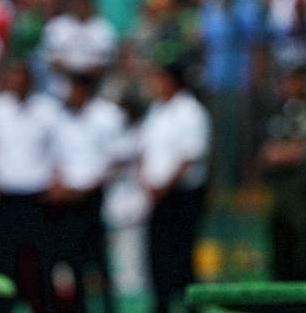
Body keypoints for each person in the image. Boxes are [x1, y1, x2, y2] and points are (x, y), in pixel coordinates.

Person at [0, 61, 60, 313]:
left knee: (42, 262)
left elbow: (59, 150)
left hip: (38, 197)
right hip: (6, 196)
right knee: (4, 261)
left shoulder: (47, 109)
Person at [46, 72, 127, 313]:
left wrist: (89, 186)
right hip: (67, 200)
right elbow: (56, 157)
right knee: (73, 262)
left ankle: (109, 307)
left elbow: (119, 159)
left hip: (96, 198)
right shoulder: (62, 118)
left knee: (100, 263)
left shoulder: (107, 116)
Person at [139, 61, 210, 313]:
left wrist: (164, 185)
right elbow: (145, 149)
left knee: (181, 255)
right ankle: (161, 305)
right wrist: (146, 180)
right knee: (157, 256)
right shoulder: (156, 110)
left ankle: (192, 306)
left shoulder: (191, 112)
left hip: (181, 196)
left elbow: (190, 156)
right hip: (158, 195)